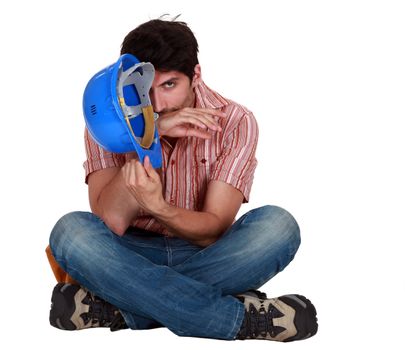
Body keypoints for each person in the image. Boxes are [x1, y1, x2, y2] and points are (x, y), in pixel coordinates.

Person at [48, 18, 318, 342]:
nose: (158, 104)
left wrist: (159, 207)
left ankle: (120, 307)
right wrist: (150, 135)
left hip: (207, 255)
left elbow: (213, 229)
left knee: (278, 226)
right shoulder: (106, 122)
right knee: (71, 232)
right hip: (130, 253)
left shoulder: (236, 121)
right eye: (145, 90)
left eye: (169, 85)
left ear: (196, 75)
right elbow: (111, 222)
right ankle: (240, 319)